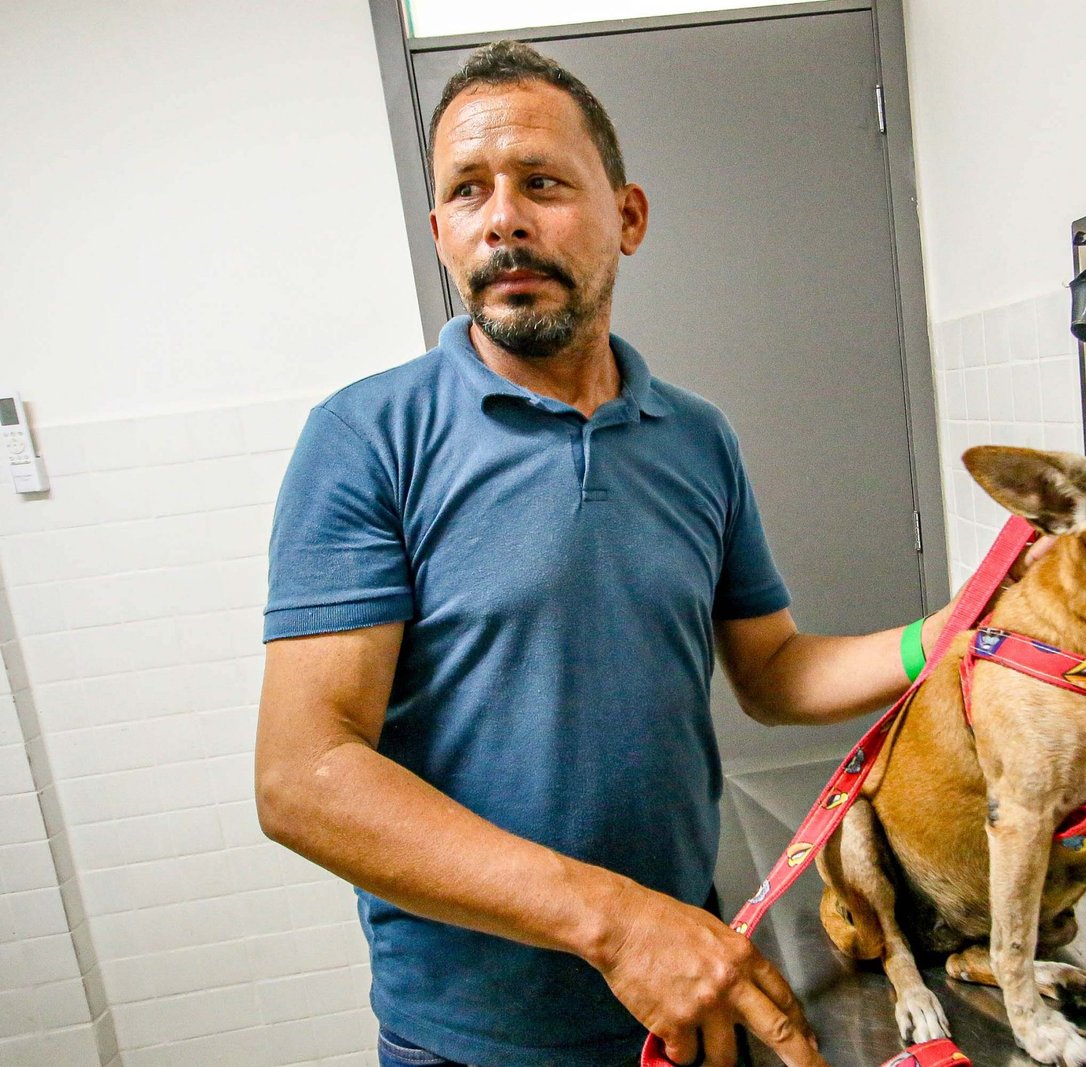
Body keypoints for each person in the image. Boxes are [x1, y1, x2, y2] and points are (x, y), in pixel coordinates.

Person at [256, 40, 1036, 1067]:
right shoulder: (366, 437)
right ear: (442, 229)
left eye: (542, 182)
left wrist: (945, 634)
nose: (505, 218)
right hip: (479, 1036)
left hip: (693, 995)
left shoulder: (695, 435)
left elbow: (771, 668)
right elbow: (304, 774)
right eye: (468, 190)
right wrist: (618, 922)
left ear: (627, 215)